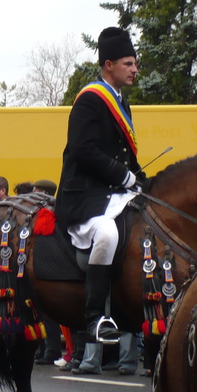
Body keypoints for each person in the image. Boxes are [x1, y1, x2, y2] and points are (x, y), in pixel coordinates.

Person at [56, 27, 143, 343]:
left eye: (134, 64)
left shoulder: (122, 102)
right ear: (109, 64)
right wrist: (122, 176)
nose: (135, 70)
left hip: (115, 192)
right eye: (128, 63)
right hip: (86, 196)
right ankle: (95, 318)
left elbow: (123, 155)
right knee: (107, 233)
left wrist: (138, 177)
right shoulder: (91, 100)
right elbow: (83, 150)